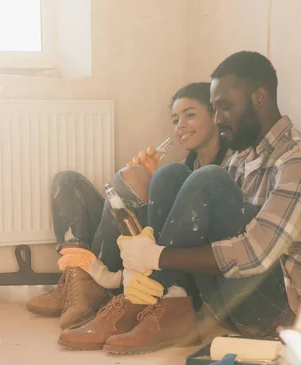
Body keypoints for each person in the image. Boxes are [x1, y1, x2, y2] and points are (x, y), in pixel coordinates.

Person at [96, 51, 301, 355]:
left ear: (259, 98)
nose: (218, 119)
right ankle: (163, 306)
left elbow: (256, 254)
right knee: (170, 174)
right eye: (214, 109)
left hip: (282, 314)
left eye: (225, 107)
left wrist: (155, 256)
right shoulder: (242, 158)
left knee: (207, 178)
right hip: (232, 301)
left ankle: (154, 304)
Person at [25, 82, 231, 335]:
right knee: (67, 181)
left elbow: (184, 230)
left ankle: (90, 285)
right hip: (134, 251)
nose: (181, 126)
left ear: (215, 115)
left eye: (190, 115)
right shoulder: (183, 166)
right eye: (176, 120)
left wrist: (135, 182)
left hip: (159, 267)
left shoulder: (227, 171)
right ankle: (78, 277)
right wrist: (142, 184)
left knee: (131, 176)